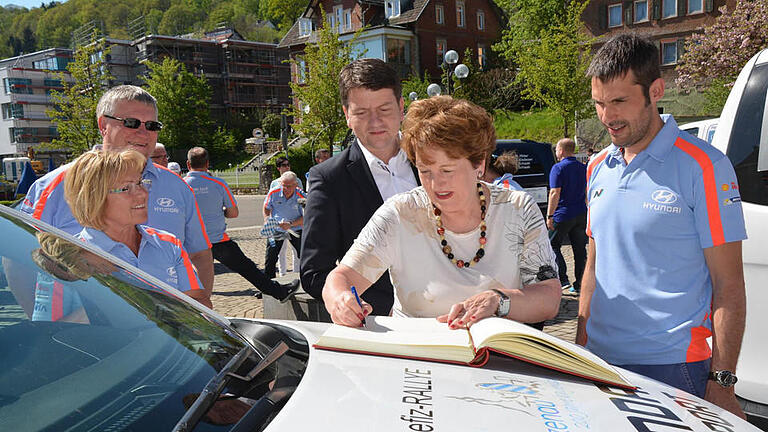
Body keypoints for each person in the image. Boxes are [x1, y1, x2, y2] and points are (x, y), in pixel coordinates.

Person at [578, 34, 747, 417]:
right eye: (600, 104)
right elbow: (592, 265)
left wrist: (722, 381)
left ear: (656, 90)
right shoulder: (596, 167)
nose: (607, 117)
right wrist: (579, 347)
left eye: (619, 101)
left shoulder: (705, 167)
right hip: (600, 364)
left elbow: (729, 284)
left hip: (675, 370)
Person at [322, 96, 561, 329]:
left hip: (496, 360)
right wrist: (341, 301)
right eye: (425, 171)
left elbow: (549, 297)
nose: (436, 184)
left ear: (479, 164)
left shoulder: (518, 210)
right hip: (420, 361)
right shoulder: (400, 213)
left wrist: (499, 301)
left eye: (447, 170)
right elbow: (340, 279)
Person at [20, 85, 215, 302]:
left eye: (152, 125)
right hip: (83, 328)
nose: (143, 133)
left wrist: (202, 323)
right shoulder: (54, 186)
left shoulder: (177, 186)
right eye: (131, 123)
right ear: (103, 125)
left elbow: (200, 255)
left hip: (168, 331)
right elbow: (20, 261)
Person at [301, 58, 419, 316]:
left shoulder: (429, 159)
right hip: (381, 324)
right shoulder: (329, 178)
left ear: (401, 108)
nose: (375, 122)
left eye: (384, 110)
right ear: (347, 116)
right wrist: (345, 300)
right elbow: (314, 272)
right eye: (362, 112)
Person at [63, 149, 210, 307]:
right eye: (126, 188)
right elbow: (53, 326)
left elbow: (201, 305)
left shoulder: (168, 243)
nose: (143, 194)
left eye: (139, 183)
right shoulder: (69, 259)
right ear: (94, 198)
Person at [184, 147, 299, 302]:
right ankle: (280, 293)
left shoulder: (181, 185)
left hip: (192, 242)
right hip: (218, 240)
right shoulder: (218, 183)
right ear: (208, 164)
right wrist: (220, 211)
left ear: (188, 164)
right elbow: (233, 213)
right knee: (248, 269)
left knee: (192, 278)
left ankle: (189, 308)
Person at [546, 138, 587, 294]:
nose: (556, 152)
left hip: (563, 214)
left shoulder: (558, 168)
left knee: (552, 245)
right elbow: (586, 190)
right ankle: (580, 283)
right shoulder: (583, 167)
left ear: (561, 151)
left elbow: (555, 192)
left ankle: (563, 279)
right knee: (579, 248)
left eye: (556, 149)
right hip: (581, 212)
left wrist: (550, 215)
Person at [263, 171, 305, 279]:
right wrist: (267, 219)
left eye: (289, 186)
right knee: (270, 257)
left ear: (295, 185)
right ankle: (268, 285)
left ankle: (308, 281)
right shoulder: (274, 192)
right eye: (284, 186)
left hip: (296, 228)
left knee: (305, 255)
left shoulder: (301, 196)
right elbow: (266, 208)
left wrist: (291, 224)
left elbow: (307, 217)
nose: (286, 189)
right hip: (277, 228)